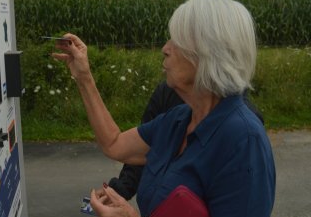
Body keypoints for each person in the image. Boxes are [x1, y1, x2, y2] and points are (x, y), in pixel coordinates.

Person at [52, 0, 275, 217]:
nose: (164, 49)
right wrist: (83, 76)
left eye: (176, 41)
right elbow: (114, 143)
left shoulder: (243, 140)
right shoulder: (179, 119)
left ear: (208, 52)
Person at [108, 81, 264, 200]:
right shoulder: (166, 94)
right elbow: (139, 148)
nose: (166, 49)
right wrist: (122, 189)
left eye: (178, 44)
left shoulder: (244, 129)